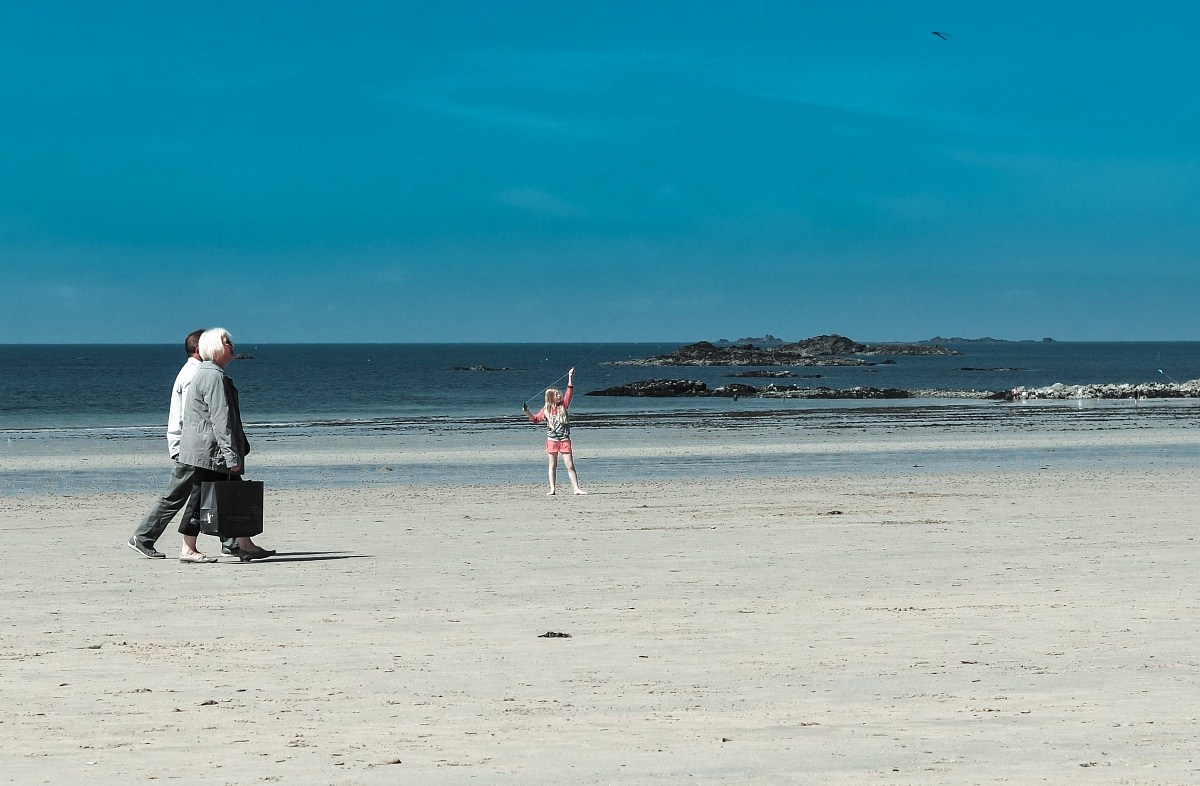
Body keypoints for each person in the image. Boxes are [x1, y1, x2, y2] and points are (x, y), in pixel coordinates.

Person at [133, 328, 275, 563]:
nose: (232, 345)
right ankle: (181, 546)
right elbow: (219, 418)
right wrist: (231, 455)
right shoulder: (210, 376)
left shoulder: (206, 373)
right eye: (227, 341)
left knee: (231, 495)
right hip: (206, 450)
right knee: (196, 497)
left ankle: (242, 544)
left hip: (202, 448)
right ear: (213, 347)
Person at [127, 329, 237, 559]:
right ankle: (144, 536)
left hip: (190, 444)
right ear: (200, 350)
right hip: (191, 446)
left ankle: (232, 540)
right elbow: (196, 415)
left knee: (217, 488)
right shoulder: (195, 375)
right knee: (181, 494)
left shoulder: (194, 372)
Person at [523, 368, 587, 496]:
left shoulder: (564, 406)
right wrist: (527, 412)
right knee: (552, 465)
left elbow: (570, 392)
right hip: (552, 441)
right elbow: (535, 420)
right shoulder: (546, 410)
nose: (560, 395)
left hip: (564, 440)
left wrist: (570, 377)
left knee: (570, 465)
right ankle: (552, 489)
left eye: (559, 393)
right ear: (551, 397)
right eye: (557, 394)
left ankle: (576, 489)